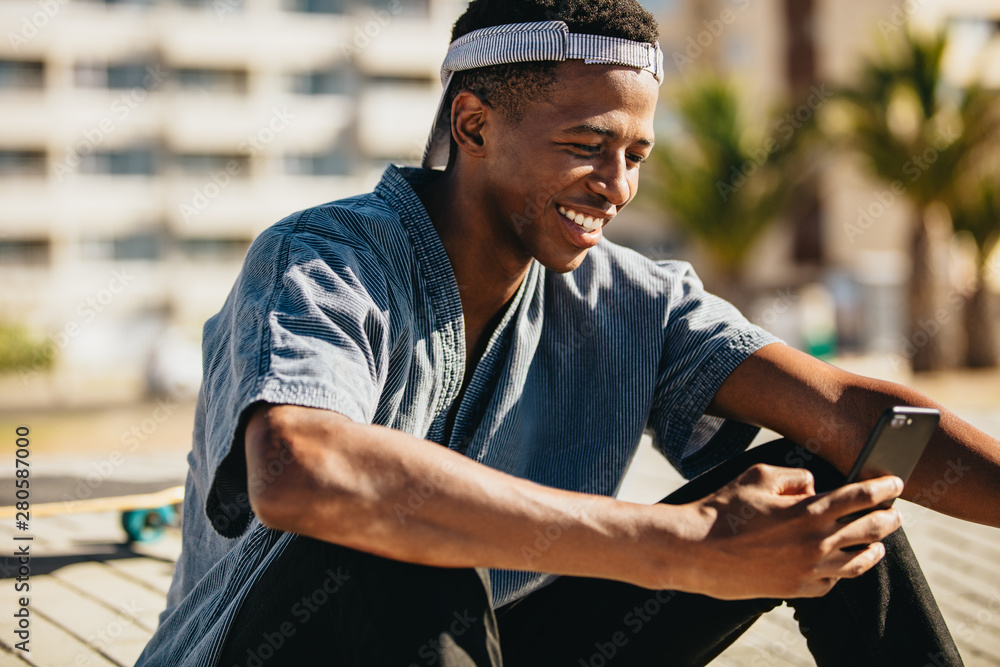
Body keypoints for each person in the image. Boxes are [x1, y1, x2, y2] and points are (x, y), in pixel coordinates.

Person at [136, 1, 1000, 665]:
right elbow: (299, 471)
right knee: (403, 541)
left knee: (833, 491)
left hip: (496, 642)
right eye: (588, 144)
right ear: (473, 124)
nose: (617, 187)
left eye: (637, 155)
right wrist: (681, 545)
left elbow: (853, 409)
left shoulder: (633, 298)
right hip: (275, 647)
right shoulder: (325, 255)